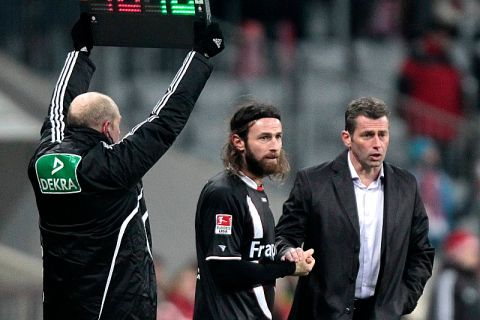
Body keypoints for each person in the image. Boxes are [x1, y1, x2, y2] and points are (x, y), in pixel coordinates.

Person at [27, 13, 224, 320]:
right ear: (107, 127)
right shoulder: (112, 168)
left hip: (61, 307)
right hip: (117, 309)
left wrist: (79, 51)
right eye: (118, 127)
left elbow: (57, 107)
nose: (120, 133)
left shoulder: (43, 161)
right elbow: (164, 122)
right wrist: (202, 55)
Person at [275, 96, 435, 319]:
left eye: (383, 134)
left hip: (381, 314)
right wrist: (290, 254)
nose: (377, 143)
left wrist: (402, 300)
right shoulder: (313, 182)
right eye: (368, 135)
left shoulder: (406, 185)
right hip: (321, 313)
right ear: (347, 138)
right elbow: (284, 237)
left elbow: (421, 251)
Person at [193, 101, 315, 319]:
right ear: (238, 142)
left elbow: (256, 255)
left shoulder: (255, 191)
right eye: (264, 137)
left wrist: (286, 255)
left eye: (278, 137)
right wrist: (288, 269)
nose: (275, 145)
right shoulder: (224, 193)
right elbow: (224, 270)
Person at [428, 229, 480, 320]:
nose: (475, 255)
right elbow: (443, 314)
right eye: (471, 250)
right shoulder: (449, 277)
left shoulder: (472, 280)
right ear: (456, 252)